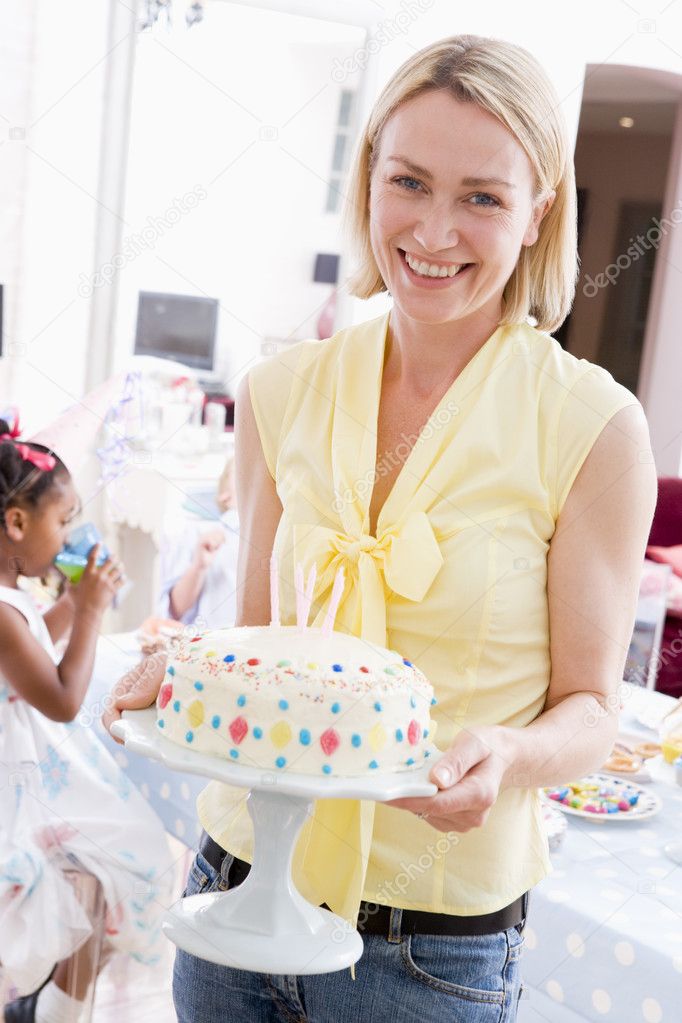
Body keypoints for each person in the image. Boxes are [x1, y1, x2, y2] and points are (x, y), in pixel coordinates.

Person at [105, 34, 658, 1023]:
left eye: (482, 197)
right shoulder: (279, 393)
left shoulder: (593, 428)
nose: (434, 231)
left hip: (428, 949)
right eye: (408, 181)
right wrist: (181, 662)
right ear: (368, 183)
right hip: (236, 893)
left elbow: (591, 712)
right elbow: (265, 642)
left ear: (538, 211)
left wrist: (509, 756)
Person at [0, 422, 174, 1023]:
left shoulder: (11, 597)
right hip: (20, 786)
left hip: (34, 770)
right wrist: (92, 612)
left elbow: (31, 647)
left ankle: (53, 1007)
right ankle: (50, 1009)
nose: (71, 534)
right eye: (64, 520)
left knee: (117, 863)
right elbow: (62, 698)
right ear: (18, 524)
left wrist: (71, 605)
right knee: (130, 853)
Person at [156, 455, 239, 629]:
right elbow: (176, 610)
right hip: (212, 642)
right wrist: (198, 567)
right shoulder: (201, 534)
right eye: (242, 469)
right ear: (225, 497)